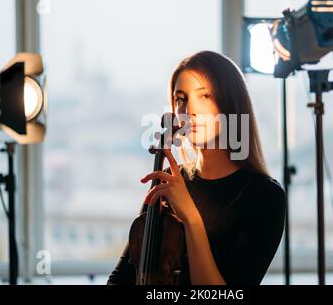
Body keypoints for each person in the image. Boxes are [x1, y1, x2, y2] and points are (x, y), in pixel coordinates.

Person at [107, 50, 286, 285]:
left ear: (230, 103)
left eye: (205, 96)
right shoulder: (169, 183)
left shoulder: (265, 197)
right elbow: (120, 280)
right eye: (181, 99)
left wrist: (190, 217)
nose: (189, 110)